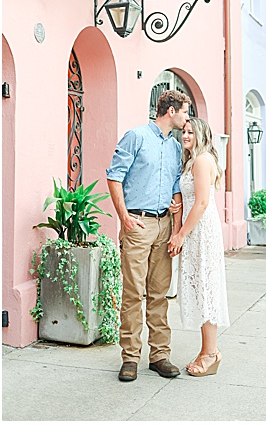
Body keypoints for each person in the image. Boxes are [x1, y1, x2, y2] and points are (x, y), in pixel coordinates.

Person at [106, 89, 190, 382]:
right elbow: (114, 176)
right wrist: (124, 217)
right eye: (184, 112)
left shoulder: (176, 146)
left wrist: (177, 226)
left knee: (159, 295)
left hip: (164, 225)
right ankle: (129, 358)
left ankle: (159, 356)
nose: (186, 118)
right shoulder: (136, 136)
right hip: (138, 226)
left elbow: (176, 186)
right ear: (171, 111)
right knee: (133, 294)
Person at [168, 117, 230, 376]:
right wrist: (176, 212)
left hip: (201, 231)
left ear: (202, 135)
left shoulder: (203, 160)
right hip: (192, 230)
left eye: (191, 132)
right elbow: (188, 197)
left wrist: (181, 234)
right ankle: (206, 350)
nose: (185, 135)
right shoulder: (191, 161)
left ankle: (211, 353)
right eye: (184, 131)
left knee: (206, 289)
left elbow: (202, 203)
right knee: (200, 288)